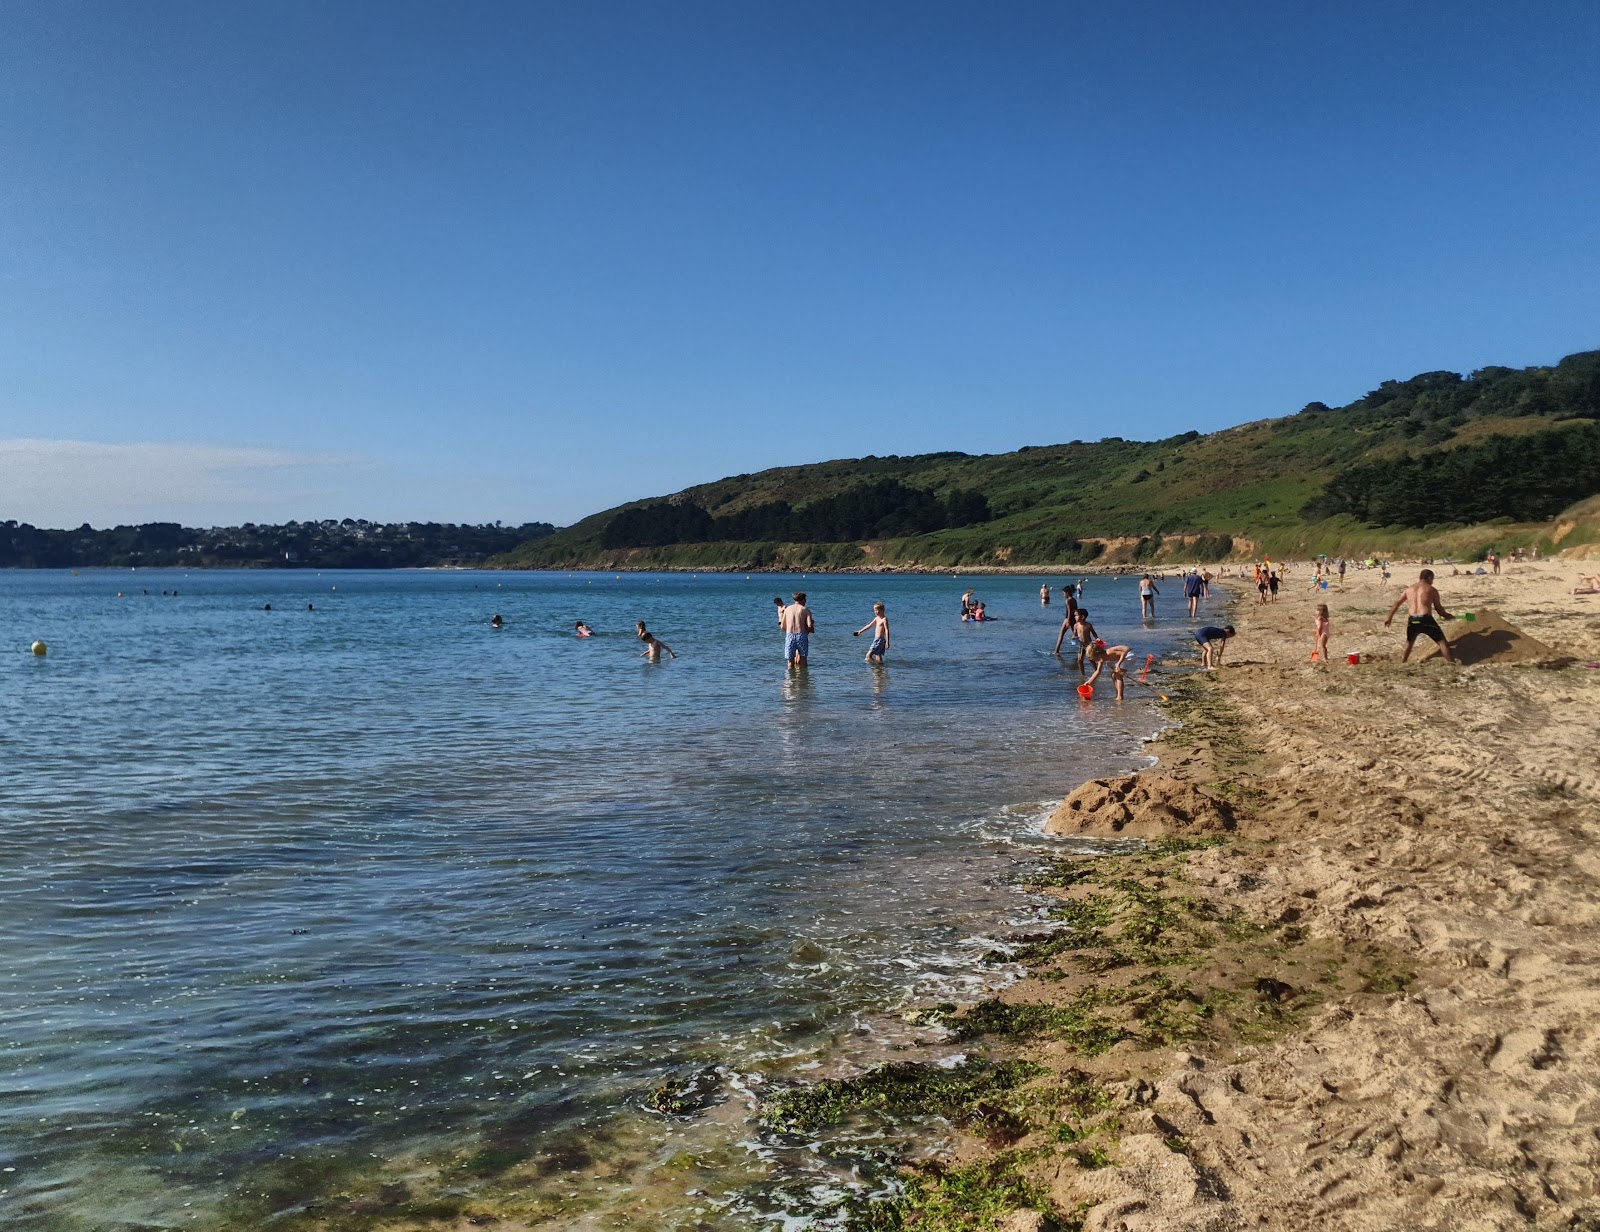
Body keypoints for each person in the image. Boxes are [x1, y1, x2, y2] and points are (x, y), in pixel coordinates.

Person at [1385, 569, 1455, 663]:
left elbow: (1397, 603)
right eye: (1432, 579)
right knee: (1442, 642)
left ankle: (1402, 663)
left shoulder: (1409, 589)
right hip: (1426, 620)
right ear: (1429, 577)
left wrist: (1389, 618)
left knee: (1409, 642)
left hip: (1413, 620)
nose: (1432, 581)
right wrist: (1447, 616)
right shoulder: (1431, 589)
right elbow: (1438, 609)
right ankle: (1451, 663)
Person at [780, 591, 815, 667]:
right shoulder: (805, 610)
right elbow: (810, 626)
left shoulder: (787, 609)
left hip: (790, 635)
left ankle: (790, 678)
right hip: (801, 635)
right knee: (803, 659)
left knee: (790, 661)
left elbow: (782, 626)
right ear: (803, 600)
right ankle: (803, 678)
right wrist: (809, 630)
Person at [1070, 608, 1098, 673]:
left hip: (1088, 645)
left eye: (1076, 615)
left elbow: (1093, 633)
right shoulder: (1076, 625)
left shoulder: (1088, 625)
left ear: (1082, 617)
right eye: (1074, 616)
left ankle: (1096, 671)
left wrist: (1096, 638)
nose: (1075, 617)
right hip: (1081, 645)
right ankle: (1082, 674)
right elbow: (1075, 634)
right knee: (1079, 660)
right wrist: (1073, 638)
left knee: (1090, 659)